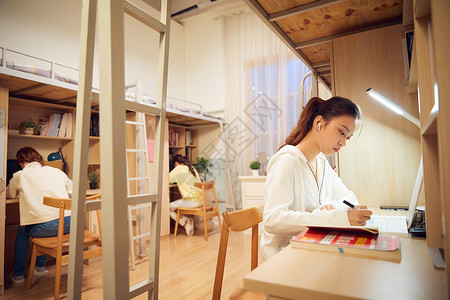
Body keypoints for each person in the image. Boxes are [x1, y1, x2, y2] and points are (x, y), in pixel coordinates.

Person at [261, 96, 373, 260]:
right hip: (284, 257)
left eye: (347, 137)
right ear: (319, 123)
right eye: (341, 132)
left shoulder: (321, 162)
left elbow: (350, 198)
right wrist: (335, 217)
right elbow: (272, 220)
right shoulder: (287, 161)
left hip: (310, 249)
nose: (343, 143)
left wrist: (332, 205)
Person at [7, 147, 73, 283]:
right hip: (69, 224)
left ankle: (18, 275)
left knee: (24, 229)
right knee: (42, 219)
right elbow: (72, 190)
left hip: (49, 227)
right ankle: (40, 267)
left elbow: (8, 194)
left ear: (21, 162)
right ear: (39, 159)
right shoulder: (56, 171)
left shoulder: (20, 175)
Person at [168, 154, 202, 236]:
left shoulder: (178, 168)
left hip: (191, 202)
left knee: (167, 208)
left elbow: (168, 179)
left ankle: (184, 222)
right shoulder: (192, 168)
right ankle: (185, 222)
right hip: (200, 201)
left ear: (176, 163)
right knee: (176, 204)